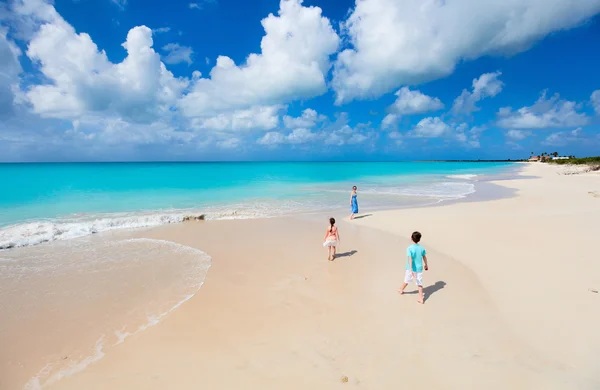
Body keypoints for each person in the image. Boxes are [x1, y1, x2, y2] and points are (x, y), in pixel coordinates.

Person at [399, 231, 429, 304]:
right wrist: (426, 264)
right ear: (419, 239)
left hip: (411, 268)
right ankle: (421, 298)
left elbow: (410, 258)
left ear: (411, 238)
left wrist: (411, 269)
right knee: (419, 283)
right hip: (419, 268)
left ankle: (401, 289)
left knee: (407, 279)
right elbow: (424, 257)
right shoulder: (422, 248)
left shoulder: (409, 248)